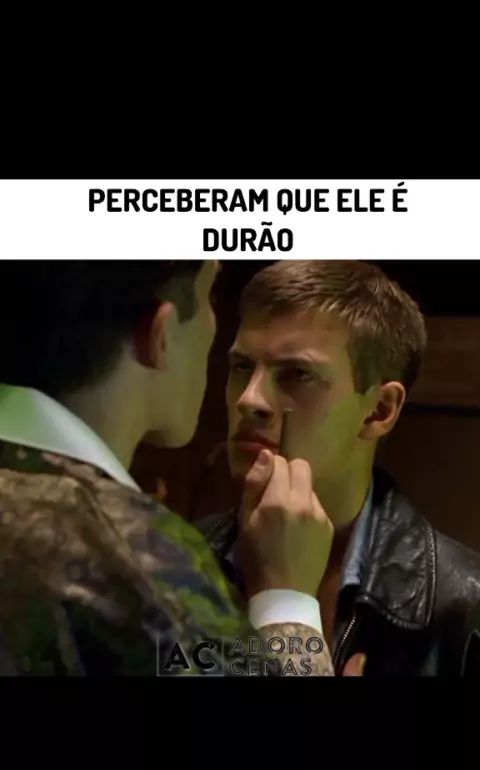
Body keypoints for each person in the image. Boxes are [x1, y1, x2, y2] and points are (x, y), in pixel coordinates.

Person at [0, 260, 343, 676]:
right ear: (160, 335)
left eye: (297, 374)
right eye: (208, 296)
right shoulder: (145, 572)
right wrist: (287, 604)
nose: (249, 400)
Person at [196, 260, 480, 676]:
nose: (249, 399)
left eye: (297, 374)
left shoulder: (464, 607)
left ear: (379, 410)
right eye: (242, 367)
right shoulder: (168, 563)